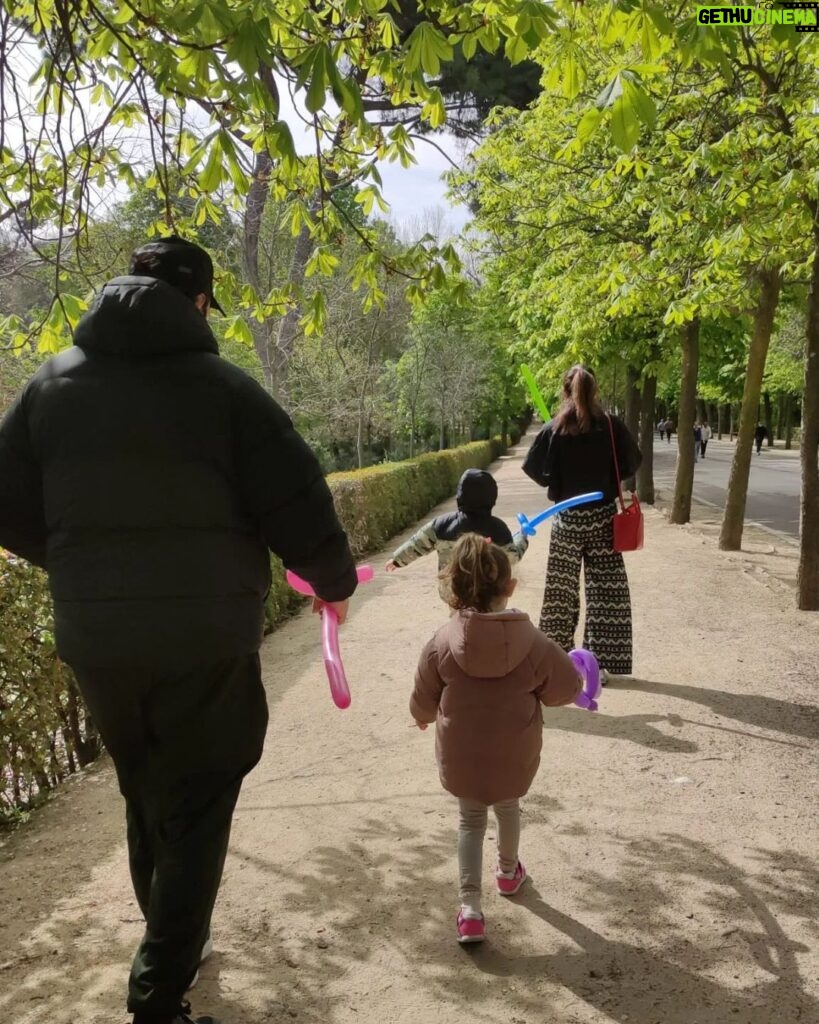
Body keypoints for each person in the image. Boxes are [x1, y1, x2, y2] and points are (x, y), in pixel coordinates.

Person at [0, 236, 358, 1024]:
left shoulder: (49, 387)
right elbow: (297, 504)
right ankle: (160, 990)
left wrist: (77, 565)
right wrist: (334, 583)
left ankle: (172, 942)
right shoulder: (226, 391)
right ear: (197, 303)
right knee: (197, 801)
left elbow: (8, 506)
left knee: (145, 790)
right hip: (205, 638)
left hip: (98, 642)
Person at [409, 534, 581, 944]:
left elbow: (423, 692)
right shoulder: (534, 643)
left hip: (463, 754)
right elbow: (565, 688)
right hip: (513, 751)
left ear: (453, 591)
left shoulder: (442, 642)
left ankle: (470, 909)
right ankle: (507, 873)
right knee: (508, 807)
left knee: (470, 821)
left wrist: (421, 716)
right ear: (510, 587)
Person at [521, 365, 642, 678]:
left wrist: (559, 480)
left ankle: (558, 663)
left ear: (566, 391)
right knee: (606, 592)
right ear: (595, 390)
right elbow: (632, 463)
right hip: (603, 518)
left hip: (567, 520)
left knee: (560, 592)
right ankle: (597, 664)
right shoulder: (612, 427)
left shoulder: (554, 428)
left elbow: (534, 469)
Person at [385, 468, 527, 600]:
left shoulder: (441, 524)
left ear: (459, 496)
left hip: (452, 591)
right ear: (492, 498)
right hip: (487, 594)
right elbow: (512, 557)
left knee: (458, 614)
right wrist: (522, 538)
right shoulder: (499, 529)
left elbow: (417, 544)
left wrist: (397, 560)